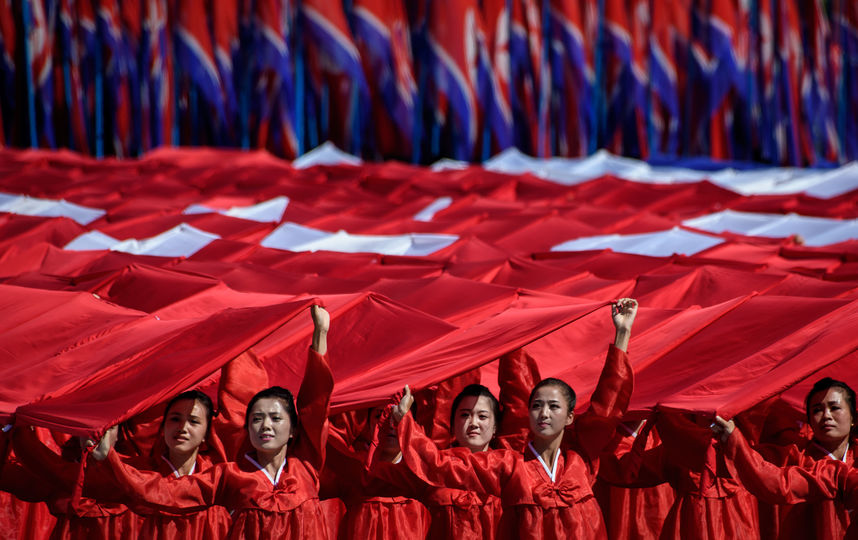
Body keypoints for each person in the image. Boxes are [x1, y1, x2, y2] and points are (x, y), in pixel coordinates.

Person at [388, 298, 638, 540]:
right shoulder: (508, 466)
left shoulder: (581, 458)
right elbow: (440, 464)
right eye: (537, 406)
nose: (544, 413)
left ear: (570, 416)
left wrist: (622, 334)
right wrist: (405, 421)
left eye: (554, 406)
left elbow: (608, 407)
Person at [103, 304, 333, 540]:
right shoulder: (231, 475)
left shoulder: (306, 462)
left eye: (275, 418)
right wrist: (109, 459)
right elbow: (166, 491)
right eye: (256, 419)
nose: (266, 425)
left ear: (293, 429)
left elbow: (316, 402)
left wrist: (320, 334)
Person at [713, 378, 858, 539]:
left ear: (853, 418)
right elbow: (766, 475)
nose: (826, 416)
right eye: (817, 410)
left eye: (835, 407)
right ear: (809, 421)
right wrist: (733, 437)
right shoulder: (793, 457)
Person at [118, 390, 231, 539]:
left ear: (206, 433)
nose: (183, 428)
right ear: (163, 426)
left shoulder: (218, 479)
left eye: (194, 421)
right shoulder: (139, 473)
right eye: (175, 419)